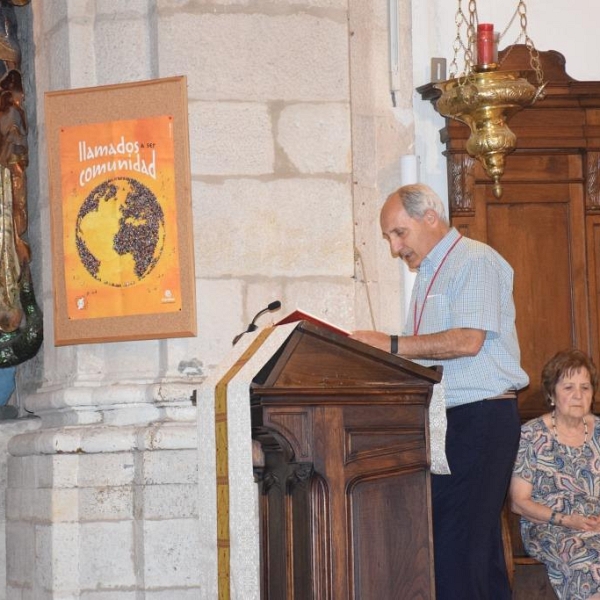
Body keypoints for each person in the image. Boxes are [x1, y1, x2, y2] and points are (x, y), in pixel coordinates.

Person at [351, 183, 529, 600]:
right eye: (389, 238)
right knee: (473, 552)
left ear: (429, 217)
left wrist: (390, 345)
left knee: (456, 549)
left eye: (399, 233)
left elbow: (468, 341)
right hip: (450, 420)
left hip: (480, 418)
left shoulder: (475, 260)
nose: (395, 248)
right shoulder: (431, 275)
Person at [510, 349, 600, 599]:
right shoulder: (532, 435)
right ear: (551, 394)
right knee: (590, 561)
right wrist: (567, 520)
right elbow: (519, 502)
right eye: (568, 387)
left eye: (585, 387)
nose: (578, 395)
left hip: (596, 524)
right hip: (550, 527)